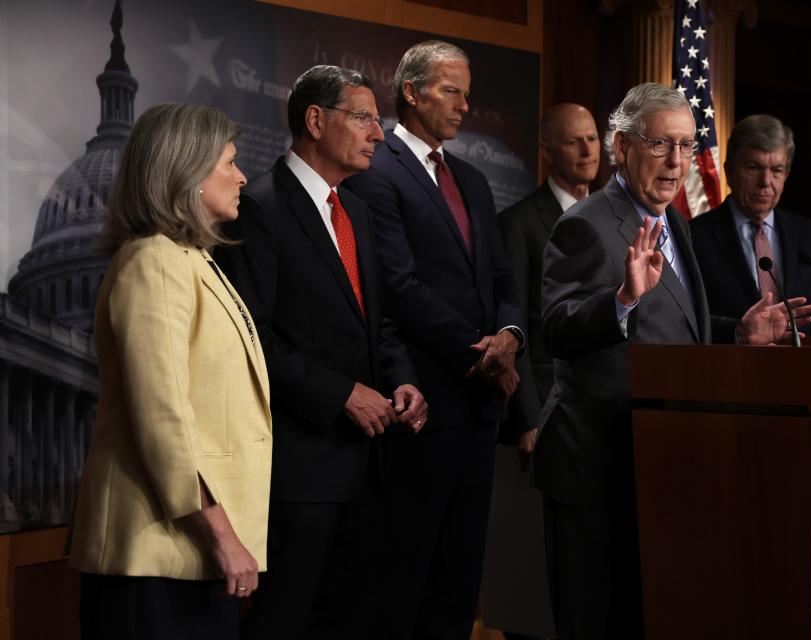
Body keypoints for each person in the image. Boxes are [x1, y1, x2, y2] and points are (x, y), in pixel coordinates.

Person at [533, 83, 811, 639]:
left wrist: (739, 331)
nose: (678, 162)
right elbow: (558, 329)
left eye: (687, 147)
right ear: (623, 147)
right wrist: (621, 301)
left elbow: (673, 335)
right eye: (662, 145)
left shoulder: (676, 224)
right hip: (597, 467)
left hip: (662, 461)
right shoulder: (587, 224)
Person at [215, 65, 426, 639]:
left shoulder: (355, 208)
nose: (379, 134)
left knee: (353, 621)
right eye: (363, 118)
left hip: (368, 466)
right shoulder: (258, 207)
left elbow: (376, 323)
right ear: (315, 120)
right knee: (286, 623)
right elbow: (251, 339)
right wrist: (341, 395)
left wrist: (401, 379)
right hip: (299, 472)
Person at [68, 102, 271, 639]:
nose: (243, 177)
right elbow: (161, 418)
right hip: (156, 556)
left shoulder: (190, 257)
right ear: (188, 173)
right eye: (229, 163)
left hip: (187, 553)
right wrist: (224, 536)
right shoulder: (152, 261)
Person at [344, 40, 524, 639]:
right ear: (412, 92)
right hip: (424, 406)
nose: (465, 106)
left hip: (478, 413)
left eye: (468, 94)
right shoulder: (377, 170)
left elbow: (501, 275)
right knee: (406, 581)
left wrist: (510, 334)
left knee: (459, 582)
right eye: (452, 91)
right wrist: (481, 355)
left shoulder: (470, 178)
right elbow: (398, 286)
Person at [499, 102, 600, 454]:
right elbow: (516, 322)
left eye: (593, 138)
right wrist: (528, 417)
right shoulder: (518, 223)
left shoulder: (616, 216)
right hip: (548, 402)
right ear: (547, 152)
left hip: (606, 402)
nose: (588, 151)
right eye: (574, 142)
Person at [691, 114, 811, 335]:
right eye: (754, 168)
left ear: (786, 174)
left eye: (776, 171)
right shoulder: (694, 237)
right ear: (729, 171)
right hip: (727, 366)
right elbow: (688, 320)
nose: (765, 182)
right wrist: (738, 334)